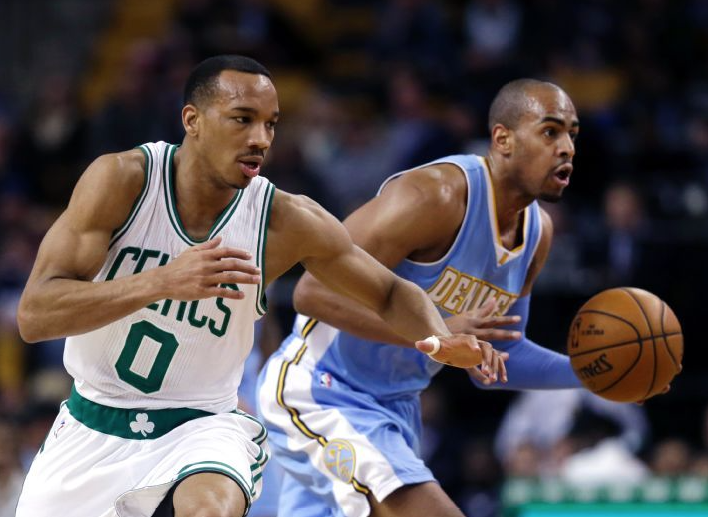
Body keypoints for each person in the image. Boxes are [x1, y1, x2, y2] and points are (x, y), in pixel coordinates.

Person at [14, 55, 506, 517]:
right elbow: (35, 316)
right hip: (92, 421)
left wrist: (439, 337)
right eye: (242, 119)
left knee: (210, 507)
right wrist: (161, 281)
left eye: (271, 124)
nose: (260, 139)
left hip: (202, 426)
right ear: (192, 120)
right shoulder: (123, 181)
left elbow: (391, 292)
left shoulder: (285, 220)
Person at [257, 78, 585, 517]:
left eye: (572, 135)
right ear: (503, 139)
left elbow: (500, 357)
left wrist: (593, 375)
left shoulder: (538, 233)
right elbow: (311, 292)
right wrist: (436, 333)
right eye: (550, 132)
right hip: (323, 390)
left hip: (397, 410)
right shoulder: (434, 195)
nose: (566, 148)